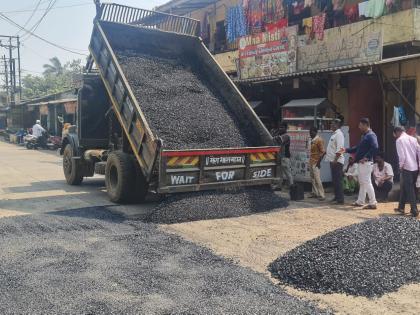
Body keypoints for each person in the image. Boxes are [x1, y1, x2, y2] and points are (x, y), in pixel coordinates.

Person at [344, 118, 378, 209]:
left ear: (366, 125)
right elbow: (358, 148)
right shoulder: (365, 136)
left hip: (366, 163)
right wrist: (346, 150)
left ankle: (373, 202)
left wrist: (366, 157)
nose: (359, 127)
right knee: (363, 183)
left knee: (366, 182)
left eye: (360, 125)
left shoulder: (371, 135)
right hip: (362, 163)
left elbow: (375, 147)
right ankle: (360, 201)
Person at [393, 126, 420, 217]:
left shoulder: (399, 140)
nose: (395, 136)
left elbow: (402, 156)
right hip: (415, 167)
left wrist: (400, 166)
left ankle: (414, 210)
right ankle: (401, 207)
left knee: (410, 189)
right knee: (405, 187)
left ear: (397, 132)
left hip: (407, 167)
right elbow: (419, 152)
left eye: (395, 134)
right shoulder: (413, 139)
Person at [325, 119, 345, 204]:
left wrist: (335, 160)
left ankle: (340, 199)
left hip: (337, 161)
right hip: (333, 160)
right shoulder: (334, 134)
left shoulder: (339, 134)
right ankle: (337, 197)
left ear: (336, 125)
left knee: (338, 180)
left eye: (332, 124)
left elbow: (341, 149)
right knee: (335, 180)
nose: (330, 125)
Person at [272, 121, 293, 190]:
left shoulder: (286, 136)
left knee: (287, 173)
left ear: (285, 128)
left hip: (285, 157)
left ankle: (292, 186)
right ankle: (279, 186)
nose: (280, 129)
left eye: (282, 127)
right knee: (279, 173)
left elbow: (278, 140)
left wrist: (275, 134)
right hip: (280, 156)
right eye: (280, 127)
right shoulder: (281, 135)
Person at [309, 126, 326, 200]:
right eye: (309, 132)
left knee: (317, 179)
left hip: (316, 162)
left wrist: (319, 163)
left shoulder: (319, 140)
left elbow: (323, 152)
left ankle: (322, 195)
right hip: (311, 161)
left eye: (311, 132)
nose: (310, 134)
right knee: (312, 179)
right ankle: (315, 193)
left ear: (315, 132)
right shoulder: (312, 140)